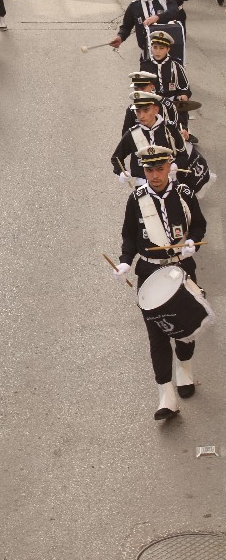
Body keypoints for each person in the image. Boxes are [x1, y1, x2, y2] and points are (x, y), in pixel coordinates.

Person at [114, 144, 206, 420]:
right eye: (149, 169)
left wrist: (192, 243)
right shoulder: (136, 198)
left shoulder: (184, 193)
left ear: (169, 167)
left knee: (186, 327)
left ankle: (185, 370)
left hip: (181, 269)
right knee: (157, 335)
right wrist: (126, 261)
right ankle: (166, 396)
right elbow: (129, 234)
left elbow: (199, 225)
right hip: (150, 273)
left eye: (160, 168)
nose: (155, 175)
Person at [111, 90, 188, 186]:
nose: (141, 116)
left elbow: (183, 155)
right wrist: (121, 172)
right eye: (138, 111)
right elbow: (116, 158)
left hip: (169, 182)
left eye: (146, 110)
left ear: (156, 109)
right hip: (143, 184)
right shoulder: (132, 134)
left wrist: (174, 166)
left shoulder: (170, 130)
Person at [110, 0, 179, 60]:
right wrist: (120, 37)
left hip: (168, 52)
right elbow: (126, 26)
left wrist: (157, 17)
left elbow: (174, 11)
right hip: (146, 54)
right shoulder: (134, 5)